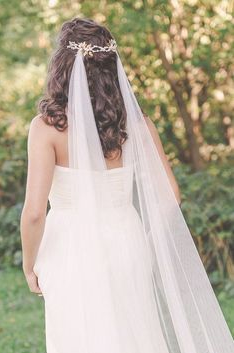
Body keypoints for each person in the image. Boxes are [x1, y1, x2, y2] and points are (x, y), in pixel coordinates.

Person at [20, 18, 234, 353]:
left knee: (78, 338)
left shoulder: (46, 129)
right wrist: (145, 242)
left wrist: (28, 264)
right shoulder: (138, 125)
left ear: (62, 65)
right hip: (127, 240)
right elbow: (171, 196)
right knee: (135, 336)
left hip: (70, 248)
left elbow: (34, 213)